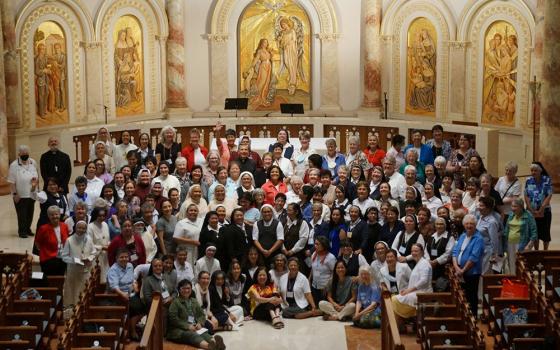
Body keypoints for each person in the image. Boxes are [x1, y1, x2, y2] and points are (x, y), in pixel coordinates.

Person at [167, 279, 226, 350]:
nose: (186, 290)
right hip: (178, 330)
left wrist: (200, 323)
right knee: (192, 335)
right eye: (184, 288)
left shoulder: (193, 301)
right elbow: (173, 319)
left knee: (204, 333)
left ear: (191, 289)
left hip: (194, 327)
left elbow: (201, 315)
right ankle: (209, 346)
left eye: (188, 288)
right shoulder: (175, 302)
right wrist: (187, 326)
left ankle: (217, 344)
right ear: (179, 290)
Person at [452, 214, 485, 316]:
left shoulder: (478, 238)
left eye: (471, 224)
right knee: (462, 295)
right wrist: (457, 267)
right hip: (459, 271)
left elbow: (474, 257)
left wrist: (463, 270)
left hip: (471, 273)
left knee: (471, 296)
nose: (469, 226)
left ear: (475, 225)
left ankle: (473, 317)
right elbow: (455, 252)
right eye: (467, 223)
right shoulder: (463, 235)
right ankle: (463, 316)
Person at [106, 248, 142, 340]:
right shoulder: (113, 270)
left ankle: (132, 327)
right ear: (116, 258)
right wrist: (123, 294)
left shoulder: (130, 265)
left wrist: (135, 284)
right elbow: (114, 286)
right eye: (121, 257)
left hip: (130, 293)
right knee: (135, 307)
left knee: (144, 304)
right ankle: (130, 331)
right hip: (116, 296)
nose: (124, 259)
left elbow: (132, 279)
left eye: (126, 257)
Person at [391, 244, 432, 321]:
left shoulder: (425, 264)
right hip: (415, 292)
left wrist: (409, 290)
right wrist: (407, 290)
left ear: (422, 252)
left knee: (394, 299)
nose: (413, 253)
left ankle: (396, 327)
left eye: (416, 251)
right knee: (393, 298)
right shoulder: (418, 263)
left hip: (422, 294)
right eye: (412, 251)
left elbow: (424, 280)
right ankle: (397, 327)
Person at [8, 145, 39, 238]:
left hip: (32, 193)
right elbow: (11, 182)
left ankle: (28, 229)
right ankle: (22, 231)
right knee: (22, 214)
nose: (25, 155)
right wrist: (15, 194)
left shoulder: (33, 162)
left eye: (26, 153)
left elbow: (37, 176)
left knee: (30, 213)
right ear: (19, 154)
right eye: (23, 154)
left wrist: (38, 189)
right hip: (20, 195)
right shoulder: (14, 165)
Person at [503, 198, 537, 274]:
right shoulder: (511, 215)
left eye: (515, 206)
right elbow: (506, 229)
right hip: (510, 243)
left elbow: (534, 232)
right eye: (512, 206)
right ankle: (513, 280)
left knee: (521, 265)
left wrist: (529, 245)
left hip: (522, 244)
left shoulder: (528, 215)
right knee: (511, 263)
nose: (512, 208)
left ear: (521, 207)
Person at [524, 162, 552, 250]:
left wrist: (542, 208)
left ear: (540, 171)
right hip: (531, 211)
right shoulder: (528, 180)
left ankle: (545, 252)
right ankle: (537, 252)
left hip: (545, 211)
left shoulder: (547, 179)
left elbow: (549, 194)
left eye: (535, 170)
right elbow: (526, 195)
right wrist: (531, 209)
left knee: (545, 233)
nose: (533, 172)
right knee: (534, 233)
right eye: (532, 170)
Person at [35, 205, 69, 276]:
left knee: (60, 279)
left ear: (59, 215)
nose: (54, 216)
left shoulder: (64, 226)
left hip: (62, 257)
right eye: (52, 215)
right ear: (48, 216)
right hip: (48, 259)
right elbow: (38, 243)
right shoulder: (43, 228)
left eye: (56, 214)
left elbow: (66, 241)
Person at [217, 208, 252, 272]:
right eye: (237, 215)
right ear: (233, 217)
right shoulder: (230, 228)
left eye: (241, 215)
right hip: (237, 257)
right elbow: (229, 244)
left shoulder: (248, 227)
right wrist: (233, 257)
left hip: (247, 256)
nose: (239, 217)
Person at [477, 196, 502, 274]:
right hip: (480, 250)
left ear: (488, 208)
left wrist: (494, 255)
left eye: (481, 206)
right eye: (479, 205)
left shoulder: (491, 222)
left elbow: (494, 240)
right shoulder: (481, 217)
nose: (479, 207)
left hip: (488, 252)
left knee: (485, 274)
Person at [425, 217, 455, 281]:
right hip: (430, 265)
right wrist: (428, 260)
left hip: (442, 268)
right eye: (437, 224)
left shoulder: (450, 237)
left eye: (441, 224)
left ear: (445, 225)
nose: (439, 226)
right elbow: (426, 250)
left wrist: (436, 261)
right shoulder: (432, 236)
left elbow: (448, 254)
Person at [309, 236, 337, 304]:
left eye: (317, 244)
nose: (315, 246)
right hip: (314, 286)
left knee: (323, 308)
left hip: (325, 287)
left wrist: (328, 286)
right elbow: (313, 268)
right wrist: (309, 279)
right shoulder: (314, 254)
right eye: (315, 244)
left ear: (324, 245)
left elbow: (334, 273)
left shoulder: (330, 257)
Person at [88, 207, 111, 281]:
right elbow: (89, 244)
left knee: (105, 277)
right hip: (95, 257)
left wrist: (109, 244)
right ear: (95, 215)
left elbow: (107, 239)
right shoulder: (90, 227)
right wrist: (101, 247)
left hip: (105, 256)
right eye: (100, 216)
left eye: (103, 216)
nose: (102, 217)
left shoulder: (105, 224)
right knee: (96, 278)